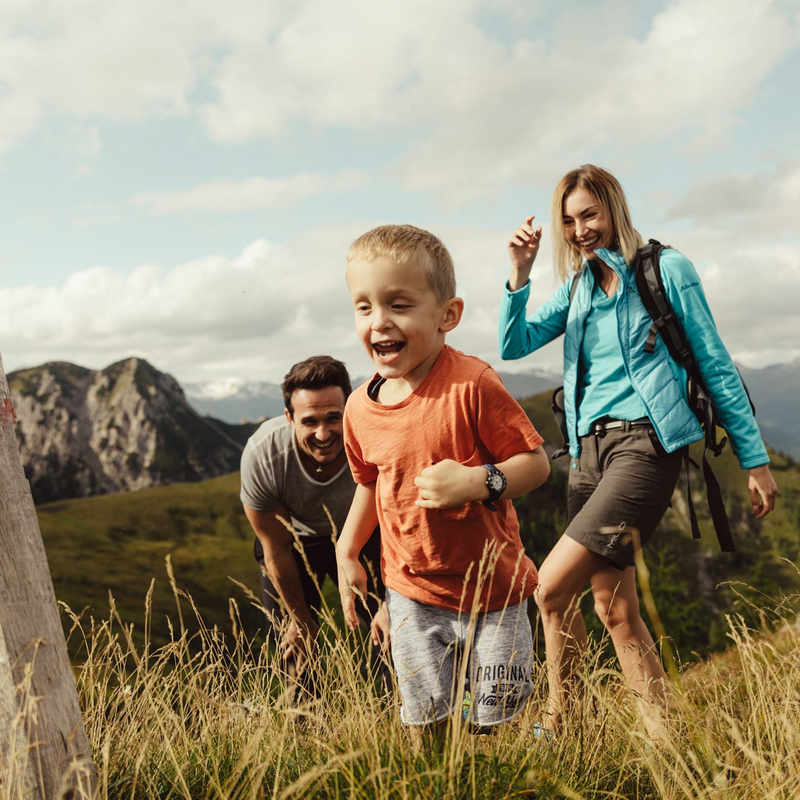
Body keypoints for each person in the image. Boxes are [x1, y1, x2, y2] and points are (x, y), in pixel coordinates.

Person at [499, 164, 778, 739]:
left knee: (549, 589)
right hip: (586, 455)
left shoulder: (664, 269)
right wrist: (520, 273)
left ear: (614, 209)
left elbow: (715, 362)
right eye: (569, 221)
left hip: (644, 447)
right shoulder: (576, 288)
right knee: (614, 609)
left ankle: (562, 725)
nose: (580, 230)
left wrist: (754, 459)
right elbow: (513, 342)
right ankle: (669, 741)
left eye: (590, 215)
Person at [336, 224, 551, 737]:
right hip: (411, 592)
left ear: (447, 315)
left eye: (399, 304)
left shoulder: (472, 383)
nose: (379, 322)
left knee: (496, 728)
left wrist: (480, 482)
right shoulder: (358, 410)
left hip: (494, 594)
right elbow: (371, 484)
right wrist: (348, 552)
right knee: (424, 726)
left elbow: (536, 464)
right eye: (364, 307)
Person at [240, 355, 382, 674]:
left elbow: (405, 521)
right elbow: (275, 547)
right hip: (295, 541)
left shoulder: (376, 440)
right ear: (290, 418)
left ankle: (397, 715)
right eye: (309, 422)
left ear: (351, 411)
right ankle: (305, 722)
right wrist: (300, 621)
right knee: (296, 648)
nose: (322, 434)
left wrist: (390, 604)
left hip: (367, 532)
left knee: (395, 633)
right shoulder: (263, 454)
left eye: (334, 418)